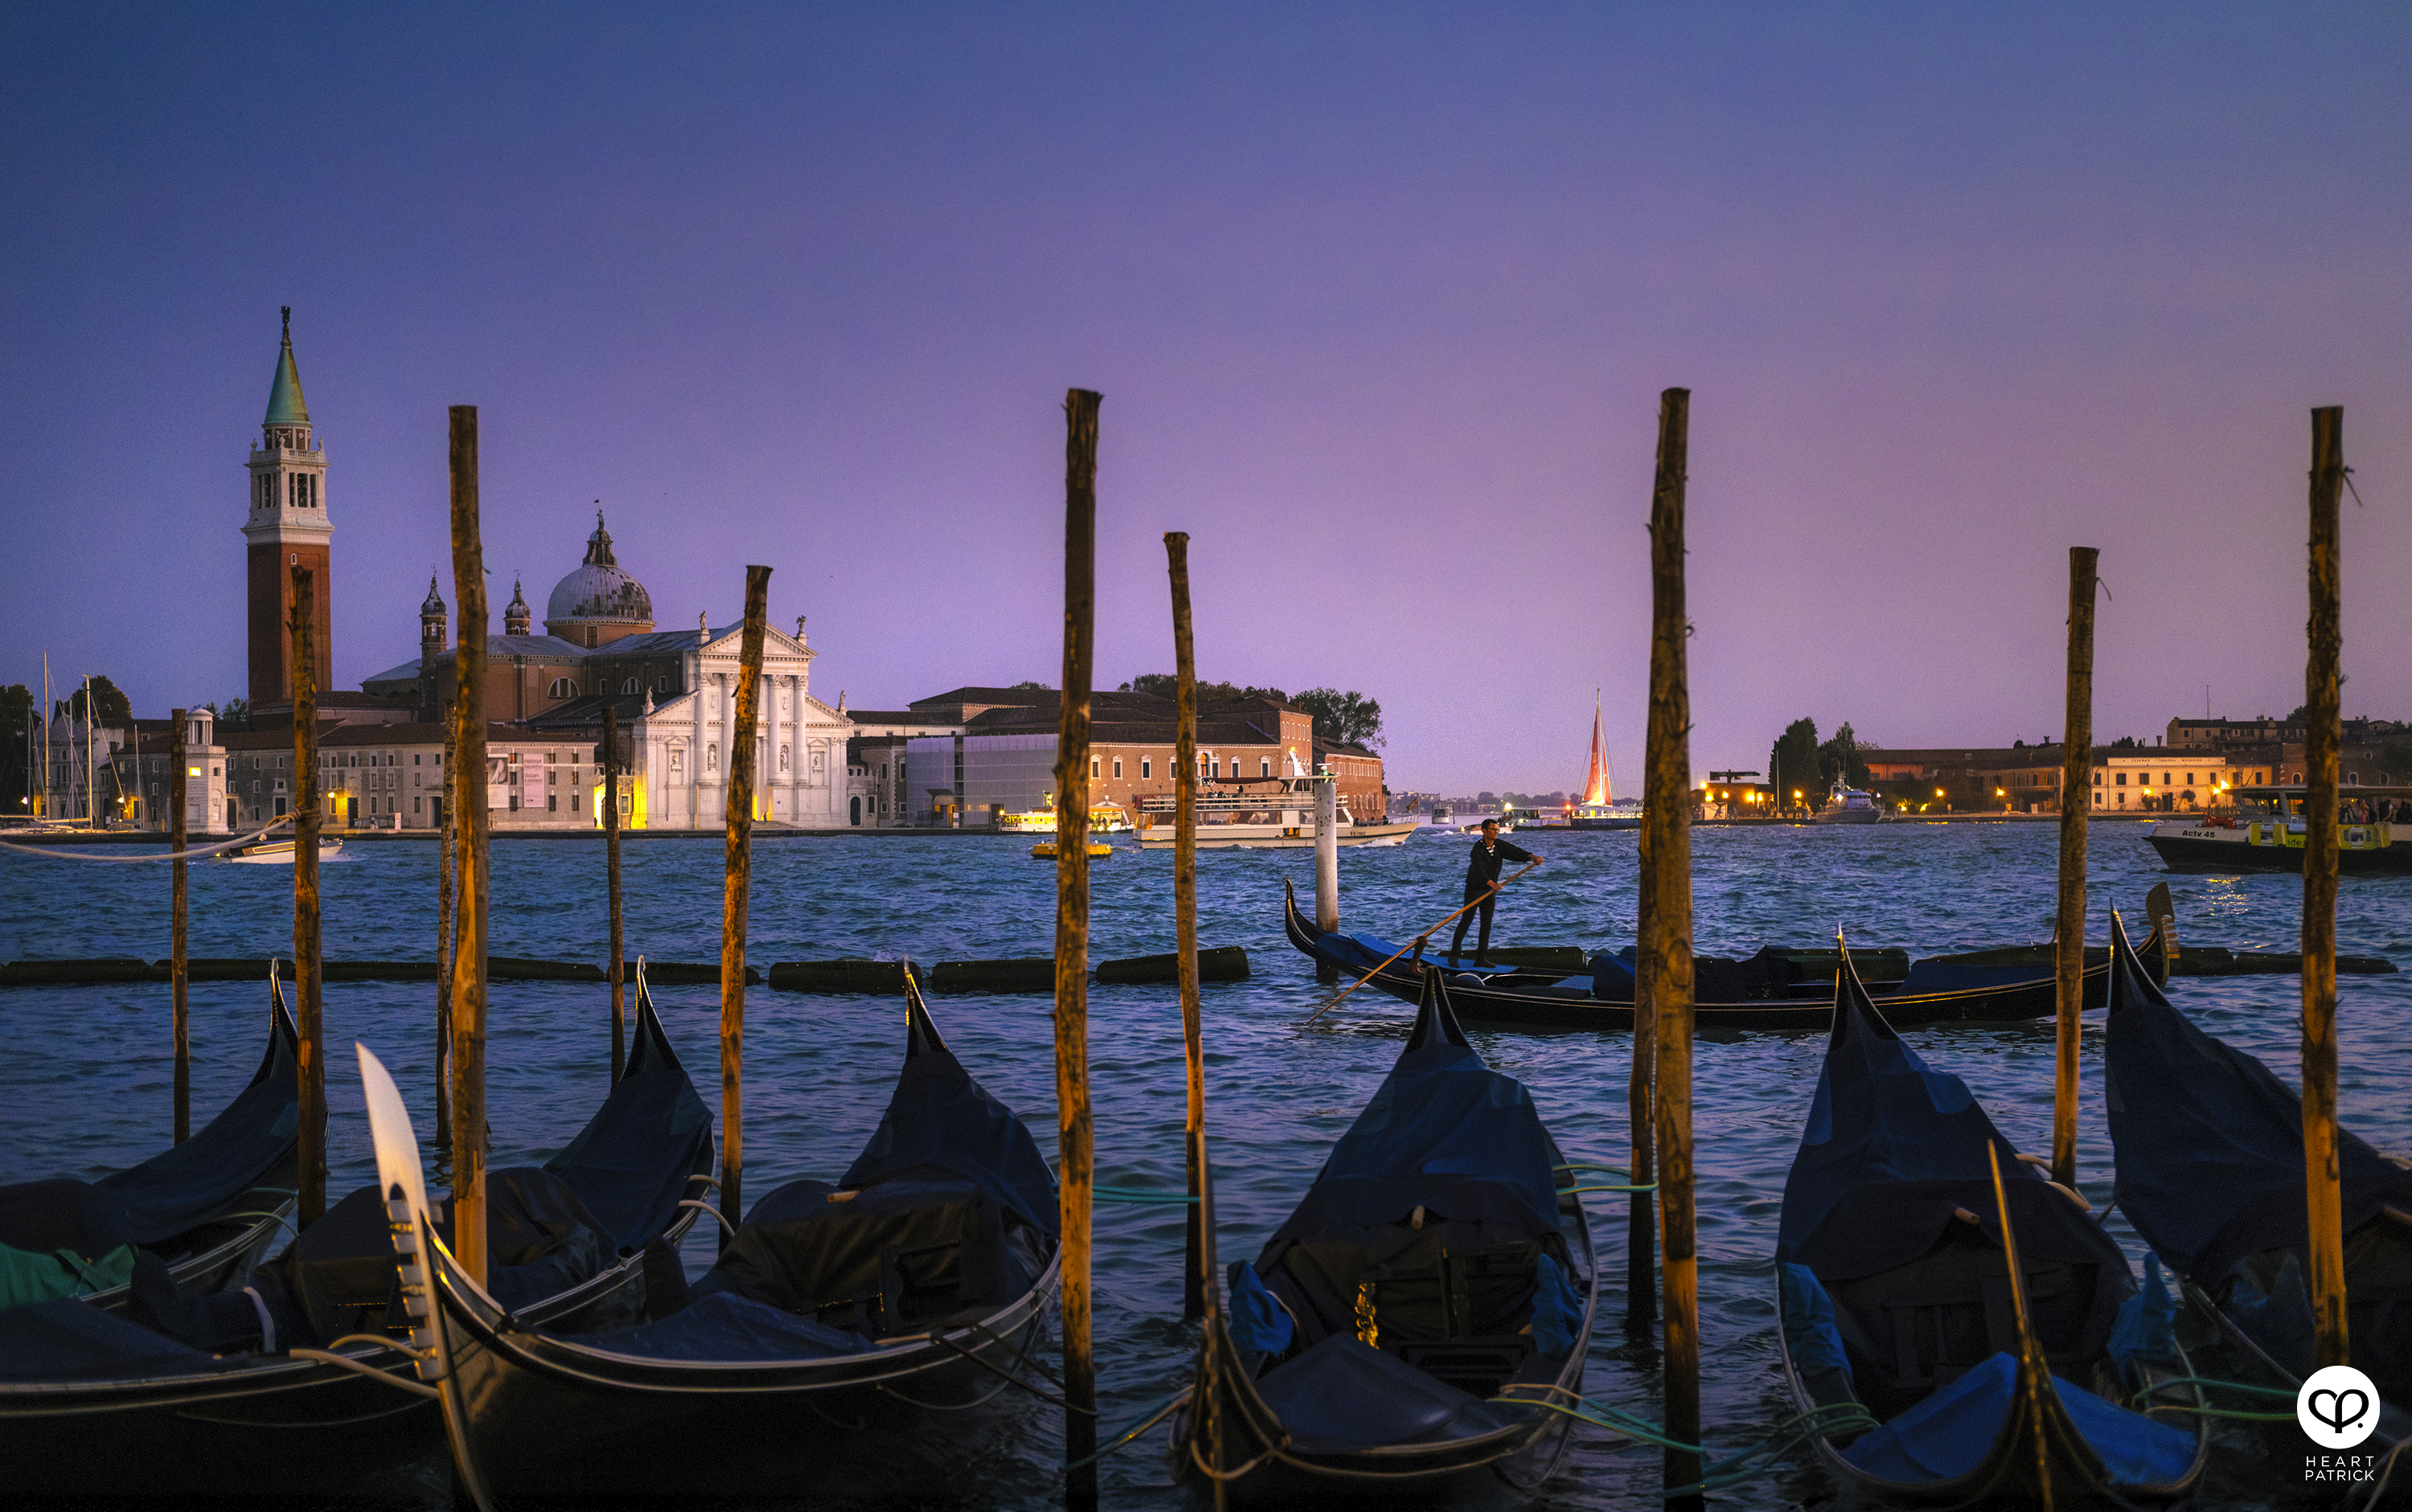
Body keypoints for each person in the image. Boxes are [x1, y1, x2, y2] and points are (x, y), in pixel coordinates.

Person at [1449, 819, 1540, 966]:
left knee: (1486, 924)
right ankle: (1454, 955)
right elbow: (1478, 869)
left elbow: (1514, 851)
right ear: (1484, 831)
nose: (1496, 832)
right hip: (1474, 889)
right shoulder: (1477, 849)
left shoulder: (1498, 846)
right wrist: (1492, 883)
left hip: (1490, 890)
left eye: (1497, 830)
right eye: (1493, 830)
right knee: (1467, 920)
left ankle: (1480, 959)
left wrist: (1532, 857)